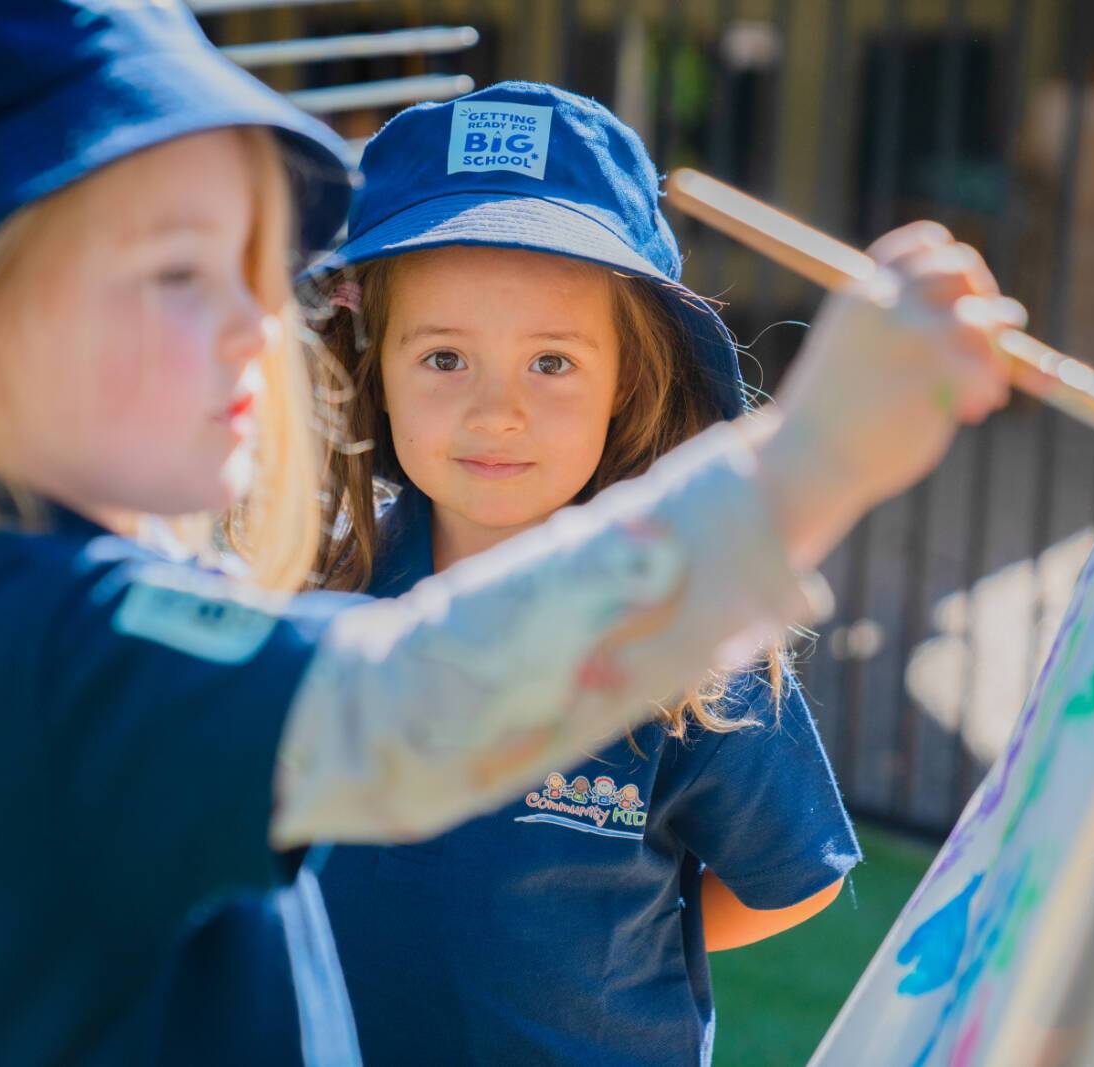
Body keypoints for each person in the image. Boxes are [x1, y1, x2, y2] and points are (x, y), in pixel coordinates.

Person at [0, 3, 1019, 1063]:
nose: (259, 318)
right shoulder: (23, 638)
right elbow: (404, 707)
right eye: (181, 272)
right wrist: (806, 461)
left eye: (258, 263)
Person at [304, 82, 855, 1065]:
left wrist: (623, 942)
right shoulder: (313, 596)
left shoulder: (692, 631)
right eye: (442, 357)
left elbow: (791, 877)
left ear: (628, 380)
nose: (496, 410)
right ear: (371, 363)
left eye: (551, 362)